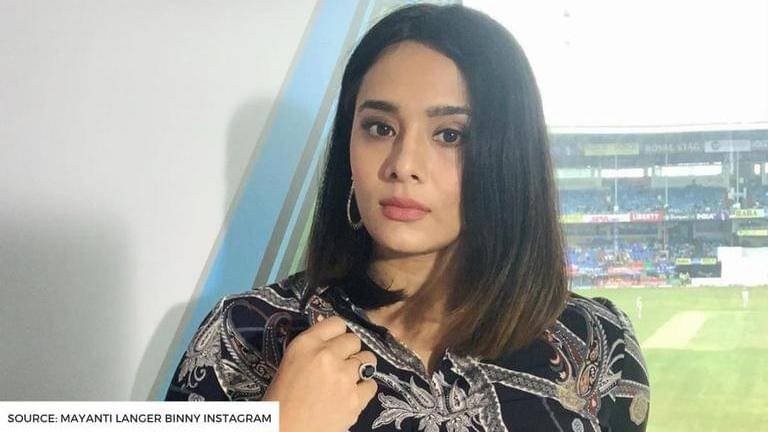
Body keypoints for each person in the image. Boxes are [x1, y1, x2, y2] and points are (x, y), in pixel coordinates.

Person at [164, 4, 650, 431]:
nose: (402, 164)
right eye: (380, 128)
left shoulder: (597, 345)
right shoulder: (245, 336)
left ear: (509, 158)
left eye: (450, 135)